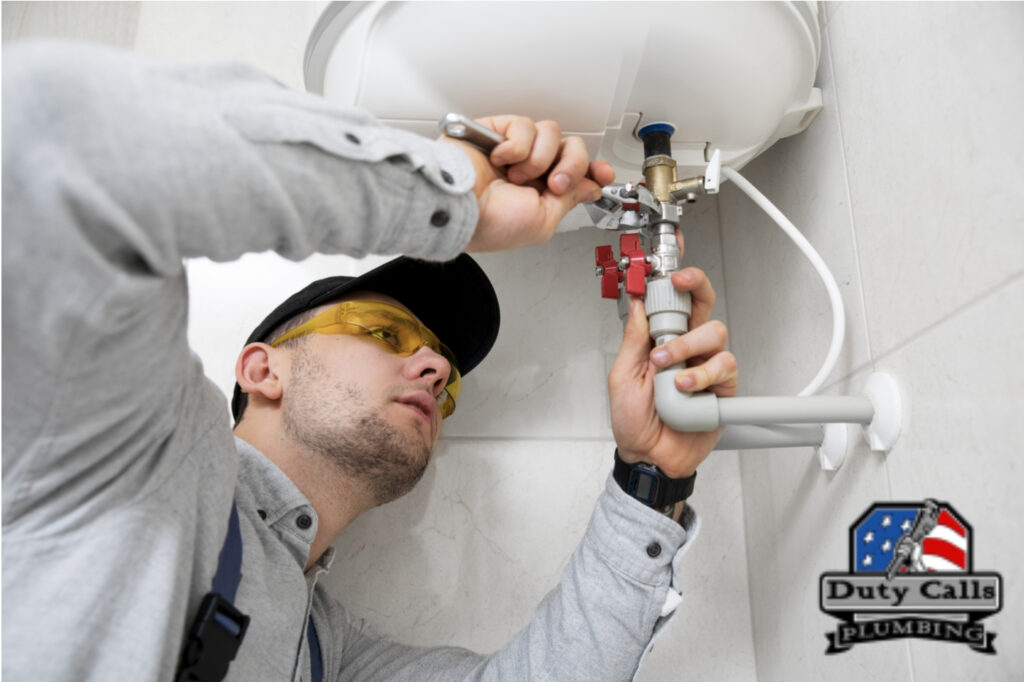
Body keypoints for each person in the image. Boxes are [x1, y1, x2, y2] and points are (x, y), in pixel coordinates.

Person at [1, 40, 737, 681]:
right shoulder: (125, 458)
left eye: (444, 374)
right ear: (263, 371)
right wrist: (448, 195)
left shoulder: (325, 652)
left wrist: (652, 476)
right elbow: (48, 136)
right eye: (384, 333)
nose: (437, 370)